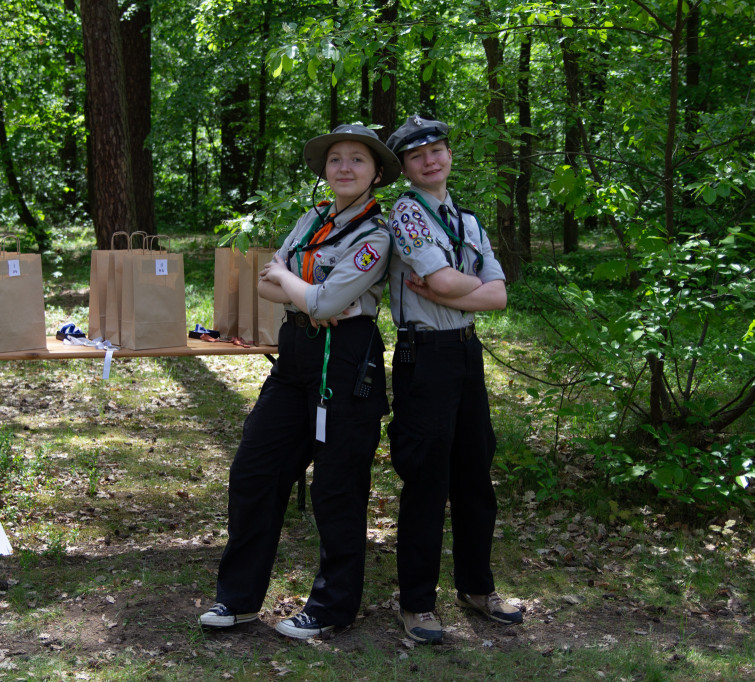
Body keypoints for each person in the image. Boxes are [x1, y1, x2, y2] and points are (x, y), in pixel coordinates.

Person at [199, 124, 400, 639]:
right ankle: (238, 600)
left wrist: (311, 294)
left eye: (358, 159)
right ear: (325, 171)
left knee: (336, 487)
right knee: (254, 471)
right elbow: (267, 285)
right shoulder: (311, 219)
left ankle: (332, 606)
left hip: (347, 362)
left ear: (376, 173)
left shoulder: (376, 234)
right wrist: (312, 296)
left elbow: (314, 298)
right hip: (294, 359)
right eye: (336, 160)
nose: (346, 167)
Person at [383, 114, 522, 644]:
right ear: (406, 167)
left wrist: (443, 292)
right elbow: (453, 280)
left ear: (448, 154)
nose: (430, 160)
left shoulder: (467, 220)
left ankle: (476, 588)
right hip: (425, 357)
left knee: (474, 474)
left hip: (467, 354)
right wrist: (453, 288)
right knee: (426, 478)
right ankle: (417, 602)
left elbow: (499, 297)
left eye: (436, 149)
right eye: (417, 156)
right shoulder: (407, 214)